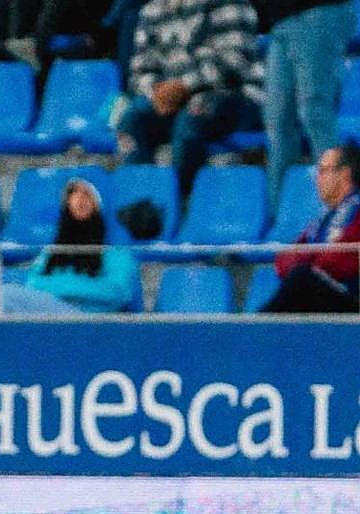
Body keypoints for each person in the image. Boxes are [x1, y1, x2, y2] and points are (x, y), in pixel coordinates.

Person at [116, 0, 264, 196]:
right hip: (173, 100)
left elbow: (235, 63)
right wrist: (157, 92)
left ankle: (185, 201)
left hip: (234, 96)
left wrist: (184, 86)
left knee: (189, 121)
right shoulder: (151, 10)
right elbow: (139, 71)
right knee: (130, 121)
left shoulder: (229, 3)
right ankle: (144, 206)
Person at [0, 178, 137, 314]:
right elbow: (34, 284)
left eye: (86, 193)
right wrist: (83, 287)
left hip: (92, 321)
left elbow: (119, 293)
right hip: (51, 317)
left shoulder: (116, 254)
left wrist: (63, 286)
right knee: (3, 301)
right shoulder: (52, 253)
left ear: (98, 204)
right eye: (73, 193)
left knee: (6, 295)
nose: (79, 198)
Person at [258, 1, 354, 206]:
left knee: (314, 111)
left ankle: (338, 214)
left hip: (319, 10)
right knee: (277, 122)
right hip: (279, 19)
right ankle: (282, 222)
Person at [263, 145, 360, 313]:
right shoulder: (324, 218)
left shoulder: (356, 212)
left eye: (323, 171)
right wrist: (309, 263)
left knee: (302, 278)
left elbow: (337, 262)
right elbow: (282, 261)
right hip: (320, 293)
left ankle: (250, 330)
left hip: (350, 301)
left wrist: (307, 263)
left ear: (344, 174)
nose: (317, 178)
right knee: (301, 279)